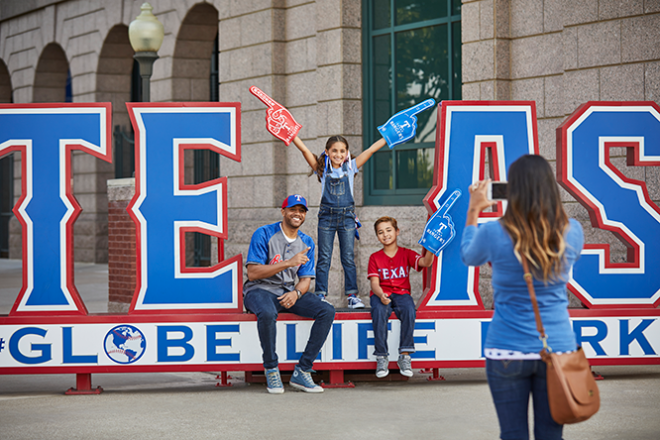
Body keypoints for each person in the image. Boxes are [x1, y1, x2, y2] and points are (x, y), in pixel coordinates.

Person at [460, 155, 584, 440]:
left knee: (513, 434)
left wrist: (474, 210)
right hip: (558, 349)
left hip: (506, 348)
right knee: (551, 434)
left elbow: (469, 256)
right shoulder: (572, 231)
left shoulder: (493, 231)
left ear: (511, 190)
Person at [243, 194, 336, 394]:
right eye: (293, 209)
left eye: (302, 211)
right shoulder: (264, 233)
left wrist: (296, 293)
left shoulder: (306, 241)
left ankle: (303, 370)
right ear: (283, 211)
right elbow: (252, 273)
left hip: (286, 291)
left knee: (326, 311)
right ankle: (271, 368)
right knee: (267, 313)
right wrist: (287, 263)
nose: (297, 214)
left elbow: (305, 279)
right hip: (259, 290)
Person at [291, 135, 388, 309]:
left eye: (342, 151)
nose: (338, 154)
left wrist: (387, 137)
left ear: (347, 153)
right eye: (334, 150)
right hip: (326, 218)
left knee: (348, 258)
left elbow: (371, 150)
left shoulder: (351, 167)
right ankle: (320, 295)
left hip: (347, 219)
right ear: (327, 152)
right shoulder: (321, 169)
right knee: (324, 258)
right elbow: (304, 150)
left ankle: (352, 296)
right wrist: (292, 135)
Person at [367, 216, 434, 378]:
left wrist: (432, 245)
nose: (385, 235)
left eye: (389, 230)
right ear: (377, 236)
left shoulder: (406, 253)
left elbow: (425, 262)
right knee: (379, 311)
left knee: (409, 309)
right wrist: (381, 294)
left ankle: (404, 355)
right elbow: (374, 284)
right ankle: (382, 356)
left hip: (402, 293)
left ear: (397, 232)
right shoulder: (374, 257)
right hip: (381, 293)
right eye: (380, 232)